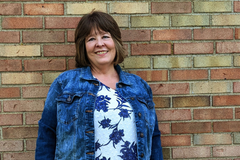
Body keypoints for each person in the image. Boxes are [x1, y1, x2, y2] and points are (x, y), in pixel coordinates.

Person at [35, 11, 163, 160]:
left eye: (105, 36)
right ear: (83, 46)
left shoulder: (139, 86)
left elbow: (153, 139)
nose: (99, 43)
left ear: (115, 41)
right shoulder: (65, 84)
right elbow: (47, 134)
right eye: (91, 39)